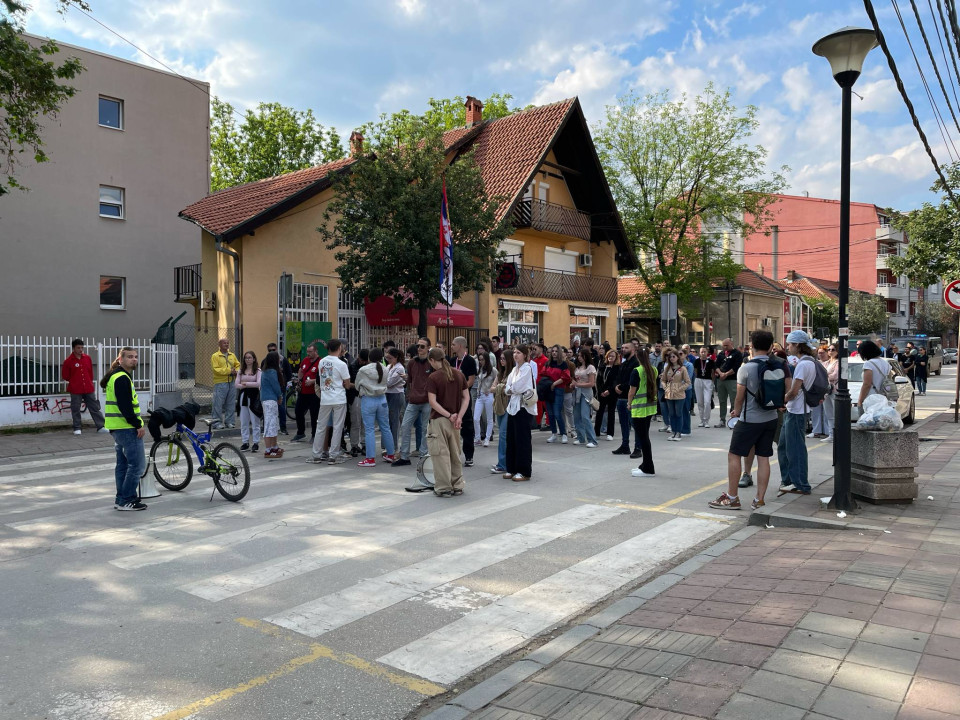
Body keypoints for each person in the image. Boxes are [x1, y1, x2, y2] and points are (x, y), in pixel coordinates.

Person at [709, 330, 782, 510]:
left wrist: (736, 411)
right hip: (771, 417)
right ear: (770, 346)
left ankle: (732, 497)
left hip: (750, 419)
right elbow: (786, 390)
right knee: (763, 457)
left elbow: (739, 396)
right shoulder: (778, 365)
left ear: (752, 346)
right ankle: (759, 500)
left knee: (734, 454)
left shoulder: (747, 368)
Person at [100, 347, 147, 511]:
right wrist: (137, 425)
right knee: (137, 466)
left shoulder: (117, 375)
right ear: (120, 359)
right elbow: (125, 406)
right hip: (127, 428)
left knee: (123, 465)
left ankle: (120, 499)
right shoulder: (121, 378)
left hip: (117, 427)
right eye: (129, 357)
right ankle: (127, 499)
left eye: (135, 357)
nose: (134, 359)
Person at [425, 347, 470, 497]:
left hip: (439, 419)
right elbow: (466, 397)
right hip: (456, 420)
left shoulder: (433, 377)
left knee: (440, 455)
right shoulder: (458, 374)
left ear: (432, 360)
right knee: (455, 453)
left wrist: (449, 415)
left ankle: (444, 487)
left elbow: (433, 402)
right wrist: (459, 416)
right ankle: (457, 485)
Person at [778, 330, 818, 496]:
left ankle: (800, 484)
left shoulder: (803, 365)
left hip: (797, 410)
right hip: (797, 410)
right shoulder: (809, 361)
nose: (788, 347)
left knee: (795, 449)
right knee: (784, 446)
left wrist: (782, 400)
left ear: (797, 345)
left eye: (789, 344)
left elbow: (794, 391)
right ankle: (789, 480)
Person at [308, 339, 352, 465]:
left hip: (325, 398)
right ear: (339, 348)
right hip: (339, 398)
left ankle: (316, 455)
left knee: (321, 426)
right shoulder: (341, 364)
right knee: (338, 427)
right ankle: (333, 456)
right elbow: (347, 384)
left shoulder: (322, 361)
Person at [393, 338, 432, 466]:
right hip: (413, 400)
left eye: (422, 346)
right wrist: (409, 395)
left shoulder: (432, 363)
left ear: (428, 348)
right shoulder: (411, 363)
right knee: (405, 426)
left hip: (427, 401)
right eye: (418, 346)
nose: (419, 348)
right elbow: (409, 381)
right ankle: (404, 456)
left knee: (425, 429)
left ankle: (423, 456)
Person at [355, 348, 395, 466]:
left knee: (369, 429)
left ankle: (370, 458)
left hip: (368, 399)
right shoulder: (385, 369)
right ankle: (391, 454)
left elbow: (357, 385)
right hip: (382, 399)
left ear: (369, 357)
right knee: (385, 427)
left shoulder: (363, 370)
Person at [504, 345, 536, 481]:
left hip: (523, 407)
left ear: (525, 355)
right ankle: (511, 468)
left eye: (518, 352)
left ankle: (524, 471)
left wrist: (511, 388)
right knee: (511, 438)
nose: (515, 355)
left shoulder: (527, 368)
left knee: (522, 439)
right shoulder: (514, 369)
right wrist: (510, 389)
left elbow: (518, 386)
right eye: (514, 352)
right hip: (513, 406)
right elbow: (507, 387)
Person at [61, 339, 106, 435]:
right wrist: (75, 380)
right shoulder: (68, 361)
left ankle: (101, 426)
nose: (80, 350)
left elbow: (90, 372)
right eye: (78, 348)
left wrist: (89, 382)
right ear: (73, 348)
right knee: (76, 408)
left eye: (82, 347)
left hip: (88, 387)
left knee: (94, 407)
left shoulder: (87, 358)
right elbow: (65, 376)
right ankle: (77, 427)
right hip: (75, 389)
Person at [627, 349, 658, 477]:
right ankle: (645, 464)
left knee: (643, 438)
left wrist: (629, 403)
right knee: (645, 437)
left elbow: (632, 391)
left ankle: (648, 468)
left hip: (639, 408)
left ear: (637, 357)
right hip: (650, 407)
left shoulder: (637, 371)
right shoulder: (654, 369)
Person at [449, 337, 478, 467]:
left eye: (453, 344)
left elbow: (471, 379)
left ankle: (469, 455)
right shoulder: (452, 361)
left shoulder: (470, 360)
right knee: (452, 424)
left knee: (467, 426)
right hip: (452, 398)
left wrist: (462, 389)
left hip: (464, 397)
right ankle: (453, 455)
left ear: (460, 346)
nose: (451, 346)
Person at [612, 342, 640, 456]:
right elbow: (617, 377)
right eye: (622, 348)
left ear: (632, 350)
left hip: (631, 398)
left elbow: (632, 381)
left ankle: (638, 448)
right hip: (621, 397)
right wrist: (616, 386)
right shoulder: (623, 363)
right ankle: (625, 445)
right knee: (623, 424)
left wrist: (621, 387)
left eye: (626, 348)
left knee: (634, 424)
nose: (623, 349)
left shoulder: (636, 363)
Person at [490, 349, 515, 475]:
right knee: (502, 434)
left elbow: (511, 390)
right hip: (500, 406)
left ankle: (503, 464)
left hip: (509, 406)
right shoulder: (501, 373)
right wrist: (501, 388)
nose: (501, 361)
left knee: (504, 435)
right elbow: (491, 388)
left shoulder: (513, 373)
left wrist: (499, 388)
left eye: (504, 359)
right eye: (500, 358)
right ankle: (503, 462)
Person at [291, 344, 321, 442]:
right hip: (303, 392)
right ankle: (300, 432)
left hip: (314, 393)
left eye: (310, 352)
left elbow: (323, 377)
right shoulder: (305, 360)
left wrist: (313, 381)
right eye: (307, 351)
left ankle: (314, 435)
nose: (308, 353)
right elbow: (301, 370)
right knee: (298, 411)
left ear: (315, 351)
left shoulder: (320, 362)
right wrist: (299, 379)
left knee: (314, 415)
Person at [660, 349, 691, 441]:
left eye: (674, 356)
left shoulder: (682, 369)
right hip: (669, 393)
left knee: (678, 413)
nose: (672, 358)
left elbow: (688, 382)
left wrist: (679, 389)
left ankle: (678, 432)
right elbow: (663, 380)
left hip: (679, 394)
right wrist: (665, 387)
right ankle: (673, 431)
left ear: (677, 357)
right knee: (671, 413)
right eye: (670, 357)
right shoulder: (667, 368)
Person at [234, 351, 261, 452]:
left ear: (254, 359)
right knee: (244, 420)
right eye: (246, 358)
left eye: (250, 358)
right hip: (243, 396)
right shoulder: (241, 371)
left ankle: (256, 442)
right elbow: (237, 384)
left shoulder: (258, 371)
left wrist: (246, 383)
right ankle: (245, 442)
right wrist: (248, 384)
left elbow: (258, 383)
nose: (248, 360)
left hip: (253, 396)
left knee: (255, 420)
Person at [211, 337, 240, 429]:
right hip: (220, 382)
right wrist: (229, 371)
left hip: (231, 382)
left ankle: (230, 422)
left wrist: (237, 371)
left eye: (227, 343)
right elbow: (216, 369)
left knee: (230, 403)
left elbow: (237, 365)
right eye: (224, 343)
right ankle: (216, 423)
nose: (226, 344)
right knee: (218, 404)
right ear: (219, 345)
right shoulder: (215, 356)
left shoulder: (232, 355)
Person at [543, 345, 570, 444]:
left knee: (557, 413)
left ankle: (563, 433)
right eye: (553, 351)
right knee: (550, 414)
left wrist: (554, 384)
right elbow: (543, 374)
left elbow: (565, 377)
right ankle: (554, 433)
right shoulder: (548, 363)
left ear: (559, 353)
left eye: (556, 351)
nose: (554, 353)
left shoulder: (563, 364)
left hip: (558, 389)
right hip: (548, 390)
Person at [572, 347, 599, 447]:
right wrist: (573, 384)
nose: (579, 357)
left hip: (586, 393)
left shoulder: (590, 367)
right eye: (578, 356)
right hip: (577, 392)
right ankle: (581, 438)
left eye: (581, 356)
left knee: (585, 416)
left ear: (586, 356)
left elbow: (591, 383)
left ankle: (592, 440)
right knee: (576, 416)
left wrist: (578, 384)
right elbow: (576, 380)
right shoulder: (578, 367)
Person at [260, 351, 284, 458]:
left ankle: (274, 446)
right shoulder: (272, 372)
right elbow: (276, 386)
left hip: (267, 399)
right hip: (270, 400)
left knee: (273, 423)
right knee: (270, 424)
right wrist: (280, 396)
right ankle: (268, 449)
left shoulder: (266, 371)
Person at [714, 338, 743, 427]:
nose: (725, 347)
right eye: (724, 345)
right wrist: (720, 373)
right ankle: (722, 420)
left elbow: (736, 367)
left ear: (731, 344)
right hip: (721, 380)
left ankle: (734, 419)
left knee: (734, 400)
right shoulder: (721, 354)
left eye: (727, 345)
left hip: (732, 380)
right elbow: (716, 365)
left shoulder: (737, 353)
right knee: (722, 400)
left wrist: (726, 374)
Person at [266, 342, 293, 435]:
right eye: (270, 350)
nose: (271, 352)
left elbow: (289, 373)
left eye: (273, 350)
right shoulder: (266, 361)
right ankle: (269, 427)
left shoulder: (283, 360)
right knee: (269, 409)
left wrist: (286, 383)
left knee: (281, 408)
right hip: (269, 389)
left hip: (281, 387)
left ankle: (283, 427)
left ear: (277, 349)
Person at [473, 351, 498, 447]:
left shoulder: (493, 370)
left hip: (488, 395)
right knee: (476, 418)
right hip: (480, 395)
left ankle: (487, 438)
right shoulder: (480, 368)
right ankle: (478, 438)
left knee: (489, 418)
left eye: (482, 360)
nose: (481, 361)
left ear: (487, 359)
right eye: (480, 360)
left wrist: (491, 389)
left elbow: (498, 380)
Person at [856, 340, 892, 407]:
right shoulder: (886, 363)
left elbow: (867, 384)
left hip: (872, 399)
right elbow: (889, 380)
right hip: (884, 398)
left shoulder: (868, 364)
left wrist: (860, 400)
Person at [595, 349, 619, 441]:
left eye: (612, 356)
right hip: (602, 393)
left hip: (612, 393)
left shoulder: (617, 368)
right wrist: (601, 391)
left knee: (611, 413)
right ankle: (596, 432)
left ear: (616, 357)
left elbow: (616, 381)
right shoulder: (602, 366)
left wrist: (609, 390)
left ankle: (610, 433)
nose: (610, 357)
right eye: (609, 356)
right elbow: (598, 380)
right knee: (599, 412)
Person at [385, 348, 407, 447]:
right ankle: (389, 444)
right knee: (388, 420)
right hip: (388, 393)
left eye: (390, 358)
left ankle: (393, 445)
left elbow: (389, 383)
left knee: (394, 421)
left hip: (396, 394)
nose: (388, 360)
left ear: (396, 357)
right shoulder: (389, 366)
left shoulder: (399, 368)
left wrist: (383, 382)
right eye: (387, 358)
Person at [692, 346, 716, 428]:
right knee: (700, 402)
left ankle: (706, 420)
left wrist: (712, 382)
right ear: (699, 352)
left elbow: (713, 372)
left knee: (707, 401)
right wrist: (698, 378)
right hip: (699, 380)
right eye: (701, 352)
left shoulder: (711, 361)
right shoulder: (697, 361)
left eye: (704, 351)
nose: (703, 353)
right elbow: (695, 371)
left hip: (708, 381)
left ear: (707, 352)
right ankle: (702, 420)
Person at [820, 344, 840, 442]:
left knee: (836, 413)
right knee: (829, 413)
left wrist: (826, 376)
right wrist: (826, 376)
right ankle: (831, 435)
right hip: (826, 390)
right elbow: (820, 374)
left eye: (833, 349)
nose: (830, 351)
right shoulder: (826, 363)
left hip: (835, 389)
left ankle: (838, 434)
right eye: (829, 349)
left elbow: (835, 375)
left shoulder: (838, 362)